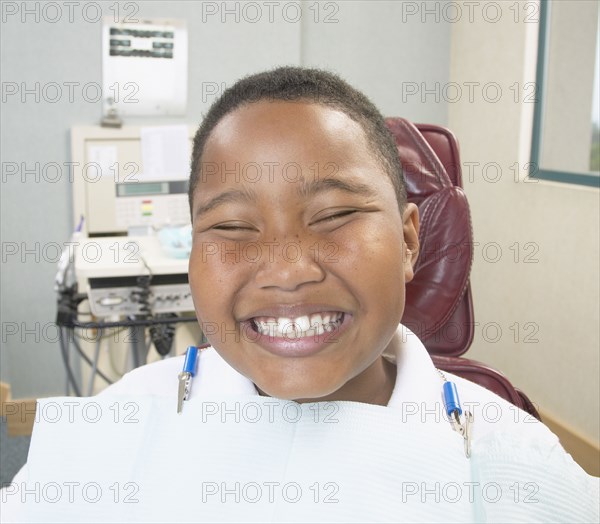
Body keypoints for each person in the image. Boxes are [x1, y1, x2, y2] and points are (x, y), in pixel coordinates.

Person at [2, 67, 598, 523]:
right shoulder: (118, 432)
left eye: (335, 214)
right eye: (233, 227)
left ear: (410, 241)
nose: (287, 270)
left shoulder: (515, 463)